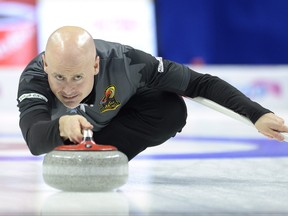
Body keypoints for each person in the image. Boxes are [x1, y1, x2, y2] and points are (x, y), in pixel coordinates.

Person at [17, 26, 288, 161]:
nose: (68, 89)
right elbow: (35, 138)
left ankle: (102, 155)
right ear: (46, 66)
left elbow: (201, 84)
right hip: (63, 131)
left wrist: (257, 114)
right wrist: (62, 125)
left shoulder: (129, 63)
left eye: (78, 77)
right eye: (59, 77)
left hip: (113, 123)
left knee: (170, 108)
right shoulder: (33, 79)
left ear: (96, 65)